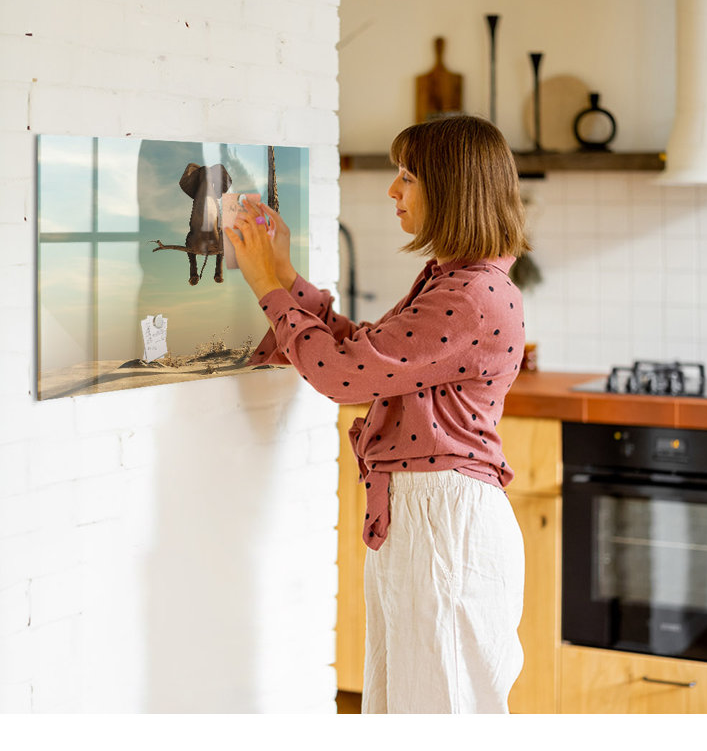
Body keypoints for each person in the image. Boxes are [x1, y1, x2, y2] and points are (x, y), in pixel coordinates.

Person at [226, 114, 529, 714]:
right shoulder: (455, 282)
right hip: (428, 516)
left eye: (408, 176)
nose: (394, 190)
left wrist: (267, 286)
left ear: (452, 189)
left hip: (443, 522)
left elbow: (344, 376)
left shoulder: (468, 296)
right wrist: (286, 277)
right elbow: (367, 352)